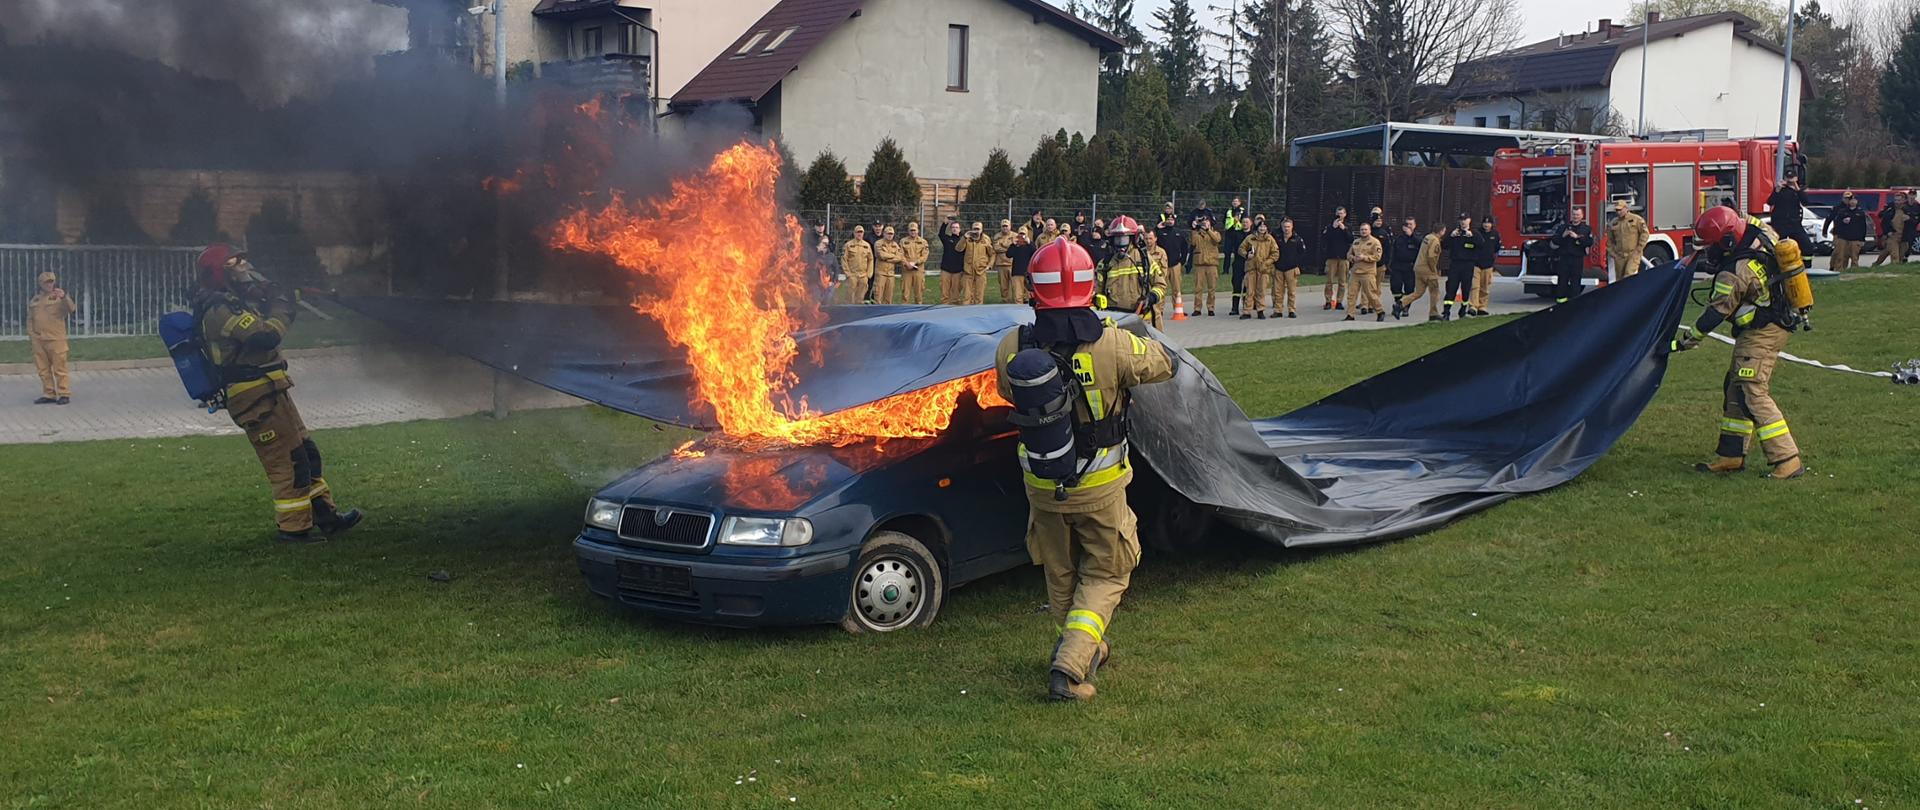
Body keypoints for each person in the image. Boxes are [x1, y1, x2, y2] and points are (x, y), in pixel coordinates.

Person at [994, 238, 1175, 701]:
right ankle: (1070, 669)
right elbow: (1164, 363)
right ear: (1089, 287)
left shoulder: (1014, 345)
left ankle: (1084, 641)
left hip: (1040, 484)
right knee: (1109, 571)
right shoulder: (1112, 341)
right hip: (1100, 486)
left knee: (1060, 571)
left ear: (1034, 289)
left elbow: (1008, 393)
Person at [191, 244, 362, 542]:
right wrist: (283, 306)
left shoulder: (236, 301)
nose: (244, 266)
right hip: (254, 397)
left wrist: (273, 292)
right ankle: (293, 529)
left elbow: (260, 310)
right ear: (219, 272)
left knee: (307, 453)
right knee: (288, 462)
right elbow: (263, 335)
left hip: (272, 389)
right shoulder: (218, 309)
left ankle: (326, 516)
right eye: (235, 263)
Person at [1673, 207, 1805, 480]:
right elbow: (1746, 218)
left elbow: (1714, 314)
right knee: (1736, 388)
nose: (1711, 252)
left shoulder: (1734, 273)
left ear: (1729, 242)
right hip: (1771, 321)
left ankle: (1787, 458)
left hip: (1762, 332)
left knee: (1752, 390)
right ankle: (1731, 455)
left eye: (1713, 246)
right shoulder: (1761, 233)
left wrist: (1689, 340)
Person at [1097, 216, 1163, 323]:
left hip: (1139, 318)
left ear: (1133, 239)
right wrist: (1098, 300)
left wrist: (1151, 297)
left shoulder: (1144, 259)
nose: (1120, 244)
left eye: (1124, 239)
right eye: (1117, 239)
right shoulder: (1104, 264)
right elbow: (1098, 291)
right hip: (1113, 319)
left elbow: (1160, 285)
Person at [28, 271, 77, 404]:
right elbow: (31, 319)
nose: (49, 285)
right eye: (46, 282)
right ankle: (49, 393)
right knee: (43, 369)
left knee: (59, 368)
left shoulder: (59, 297)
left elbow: (71, 309)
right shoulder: (35, 300)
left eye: (51, 282)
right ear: (40, 284)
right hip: (39, 340)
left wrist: (64, 297)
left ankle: (64, 393)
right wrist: (32, 336)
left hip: (56, 339)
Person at [1395, 222, 1447, 321]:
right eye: (1444, 231)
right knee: (1435, 292)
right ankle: (1433, 313)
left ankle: (1400, 304)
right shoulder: (1435, 241)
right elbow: (1431, 256)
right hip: (1427, 269)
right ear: (1441, 231)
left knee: (1419, 292)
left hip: (1418, 267)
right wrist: (1433, 269)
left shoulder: (1427, 237)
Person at [1549, 208, 1594, 303]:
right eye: (1574, 215)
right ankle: (1561, 301)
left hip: (1577, 259)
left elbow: (1589, 242)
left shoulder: (1586, 229)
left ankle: (1575, 302)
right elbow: (1555, 241)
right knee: (1562, 281)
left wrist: (1577, 237)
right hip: (1564, 259)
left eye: (1577, 215)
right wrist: (1563, 235)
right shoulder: (1563, 228)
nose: (1575, 217)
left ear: (1582, 216)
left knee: (1576, 281)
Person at [1237, 219, 1279, 320]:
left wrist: (1267, 262)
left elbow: (1275, 253)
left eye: (1264, 226)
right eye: (1260, 226)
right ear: (1257, 227)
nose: (1262, 228)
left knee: (1261, 291)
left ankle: (1260, 310)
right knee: (1250, 291)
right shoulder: (1250, 238)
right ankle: (1247, 311)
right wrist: (1247, 255)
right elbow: (1240, 249)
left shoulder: (1270, 239)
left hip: (1263, 269)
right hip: (1251, 268)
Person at [1441, 213, 1479, 321]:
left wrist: (1471, 236)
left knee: (1466, 289)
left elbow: (1481, 245)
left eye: (1465, 219)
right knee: (1451, 288)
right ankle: (1446, 311)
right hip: (1455, 264)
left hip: (1468, 265)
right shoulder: (1455, 233)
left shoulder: (1474, 233)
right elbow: (1444, 245)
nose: (1463, 222)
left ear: (1469, 220)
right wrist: (1450, 236)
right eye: (1461, 220)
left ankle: (1463, 309)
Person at [1823, 191, 1871, 272]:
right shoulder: (1838, 209)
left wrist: (1862, 239)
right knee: (1838, 253)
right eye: (1846, 198)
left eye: (1849, 198)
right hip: (1839, 234)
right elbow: (1830, 219)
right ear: (1843, 198)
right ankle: (1834, 267)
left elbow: (1863, 226)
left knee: (1850, 254)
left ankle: (1847, 269)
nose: (1848, 200)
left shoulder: (1860, 211)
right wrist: (1825, 231)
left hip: (1853, 236)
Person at [1346, 222, 1384, 321]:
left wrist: (1365, 257)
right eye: (1362, 229)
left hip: (1368, 272)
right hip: (1355, 272)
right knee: (1351, 294)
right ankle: (1350, 314)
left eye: (1365, 229)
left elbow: (1377, 256)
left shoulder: (1375, 242)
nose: (1363, 231)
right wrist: (1353, 258)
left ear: (1370, 230)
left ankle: (1380, 311)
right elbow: (1348, 254)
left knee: (1371, 294)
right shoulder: (1356, 242)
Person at [1766, 175, 1813, 255]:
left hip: (1794, 224)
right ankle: (1775, 265)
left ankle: (1806, 265)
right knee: (1777, 246)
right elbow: (1770, 202)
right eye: (1788, 178)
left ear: (1796, 178)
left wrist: (1797, 188)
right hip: (1780, 224)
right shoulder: (1780, 190)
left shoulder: (1797, 191)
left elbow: (1806, 202)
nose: (1790, 180)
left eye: (1792, 178)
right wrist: (1777, 189)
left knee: (1806, 245)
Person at [1606, 199, 1651, 281]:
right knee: (1619, 279)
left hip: (1633, 254)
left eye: (1620, 210)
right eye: (1617, 210)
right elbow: (1609, 240)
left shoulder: (1636, 219)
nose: (1618, 212)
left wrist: (1639, 249)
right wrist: (1613, 253)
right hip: (1619, 255)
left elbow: (1645, 234)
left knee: (1629, 274)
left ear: (1626, 208)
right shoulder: (1614, 223)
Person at [1187, 216, 1222, 317]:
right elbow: (1193, 242)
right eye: (1203, 223)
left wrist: (1208, 230)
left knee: (1212, 288)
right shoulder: (1197, 235)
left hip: (1212, 264)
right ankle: (1197, 308)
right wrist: (1194, 229)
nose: (1204, 224)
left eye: (1206, 222)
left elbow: (1217, 240)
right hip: (1200, 264)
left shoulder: (1215, 233)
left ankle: (1211, 307)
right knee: (1198, 288)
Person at [1153, 214, 1188, 315]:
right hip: (1163, 265)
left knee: (1177, 289)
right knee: (1162, 288)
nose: (1170, 221)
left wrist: (1182, 261)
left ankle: (1178, 309)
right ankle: (1160, 310)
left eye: (1172, 219)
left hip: (1175, 264)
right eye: (1168, 219)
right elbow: (1152, 239)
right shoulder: (1160, 233)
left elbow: (1185, 247)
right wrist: (1157, 227)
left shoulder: (1178, 233)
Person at [1276, 217, 1309, 319]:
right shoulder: (1277, 238)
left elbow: (1302, 253)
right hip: (1279, 268)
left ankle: (1291, 310)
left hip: (1291, 268)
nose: (1286, 229)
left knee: (1292, 291)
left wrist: (1298, 265)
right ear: (1282, 227)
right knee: (1278, 291)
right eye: (1285, 227)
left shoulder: (1297, 239)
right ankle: (1278, 310)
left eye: (1288, 227)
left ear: (1292, 227)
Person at [1470, 216, 1503, 317]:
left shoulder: (1495, 234)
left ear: (1492, 224)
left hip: (1488, 264)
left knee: (1485, 287)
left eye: (1488, 223)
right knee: (1475, 286)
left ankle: (1482, 306)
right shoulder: (1476, 233)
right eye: (1484, 222)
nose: (1486, 225)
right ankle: (1473, 306)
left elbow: (1497, 248)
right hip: (1476, 263)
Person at [1385, 217, 1422, 306]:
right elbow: (1393, 251)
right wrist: (1389, 264)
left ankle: (1405, 307)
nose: (1408, 226)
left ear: (1415, 225)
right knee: (1395, 286)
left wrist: (1411, 235)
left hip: (1410, 267)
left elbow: (1422, 246)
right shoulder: (1399, 238)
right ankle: (1399, 302)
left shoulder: (1418, 237)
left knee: (1409, 288)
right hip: (1397, 266)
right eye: (1407, 224)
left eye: (1410, 224)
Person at [1222, 197, 1249, 315]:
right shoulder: (1236, 234)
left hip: (1249, 263)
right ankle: (1234, 308)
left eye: (1246, 222)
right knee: (1236, 284)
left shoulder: (1253, 235)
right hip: (1238, 262)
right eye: (1243, 223)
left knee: (1248, 286)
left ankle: (1247, 308)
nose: (1244, 224)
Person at [1871, 191, 1914, 266]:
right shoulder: (1890, 210)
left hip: (1904, 237)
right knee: (1895, 256)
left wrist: (1909, 219)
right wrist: (1888, 232)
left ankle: (1876, 264)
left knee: (1897, 254)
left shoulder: (1908, 210)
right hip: (1893, 236)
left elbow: (1914, 222)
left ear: (1904, 200)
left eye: (1899, 200)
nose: (1897, 202)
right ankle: (1893, 271)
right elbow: (1883, 222)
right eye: (1896, 200)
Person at [1320, 207, 1350, 311]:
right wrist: (1333, 228)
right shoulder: (1329, 226)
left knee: (1342, 281)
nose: (1339, 216)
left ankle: (1339, 301)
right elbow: (1324, 238)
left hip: (1343, 257)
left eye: (1341, 213)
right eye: (1338, 214)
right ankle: (1328, 301)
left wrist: (1344, 229)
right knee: (1329, 281)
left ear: (1345, 214)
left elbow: (1351, 239)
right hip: (1331, 257)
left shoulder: (1348, 226)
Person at [840, 226, 874, 304]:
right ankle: (849, 310)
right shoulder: (848, 245)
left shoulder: (867, 245)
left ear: (863, 233)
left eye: (861, 232)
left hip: (863, 275)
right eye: (858, 232)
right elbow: (844, 260)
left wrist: (869, 274)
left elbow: (870, 259)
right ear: (854, 233)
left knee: (861, 296)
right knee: (850, 295)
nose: (859, 234)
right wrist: (848, 274)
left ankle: (859, 309)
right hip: (852, 274)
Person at [900, 222, 930, 304]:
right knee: (905, 294)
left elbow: (925, 256)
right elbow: (900, 254)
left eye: (914, 230)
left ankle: (919, 312)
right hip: (907, 270)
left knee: (919, 293)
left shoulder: (923, 242)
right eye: (911, 230)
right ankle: (904, 311)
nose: (913, 232)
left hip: (918, 270)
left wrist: (915, 262)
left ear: (918, 231)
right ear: (908, 231)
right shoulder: (903, 241)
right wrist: (907, 263)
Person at [873, 225, 904, 304]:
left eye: (891, 234)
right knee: (878, 296)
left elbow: (900, 257)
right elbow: (881, 255)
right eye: (888, 234)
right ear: (884, 234)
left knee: (889, 298)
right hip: (881, 273)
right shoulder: (878, 243)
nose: (890, 235)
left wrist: (888, 258)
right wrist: (893, 256)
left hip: (890, 274)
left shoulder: (895, 245)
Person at [938, 221, 965, 304]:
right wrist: (945, 223)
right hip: (946, 269)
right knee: (944, 291)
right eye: (953, 227)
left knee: (956, 291)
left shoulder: (963, 241)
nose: (955, 229)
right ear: (950, 229)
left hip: (958, 270)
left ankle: (955, 306)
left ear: (959, 229)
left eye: (956, 227)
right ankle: (944, 306)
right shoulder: (947, 239)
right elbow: (941, 234)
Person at [993, 219, 1018, 302]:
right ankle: (1005, 301)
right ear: (1001, 227)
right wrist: (1010, 246)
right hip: (1001, 264)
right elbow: (996, 248)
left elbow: (1016, 248)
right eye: (1003, 226)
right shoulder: (997, 236)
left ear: (1010, 226)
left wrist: (1003, 246)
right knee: (1003, 286)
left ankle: (1016, 301)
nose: (1005, 228)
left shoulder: (1015, 235)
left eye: (1006, 226)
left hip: (1013, 263)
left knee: (1015, 285)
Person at [1008, 228, 1035, 304]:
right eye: (1020, 234)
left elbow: (1035, 252)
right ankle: (1018, 310)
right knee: (1018, 295)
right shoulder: (1015, 245)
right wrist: (1013, 244)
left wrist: (1029, 243)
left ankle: (1028, 311)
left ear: (1027, 235)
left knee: (1028, 295)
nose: (1022, 236)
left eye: (1023, 234)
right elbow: (1008, 254)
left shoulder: (1030, 244)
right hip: (1017, 272)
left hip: (1027, 273)